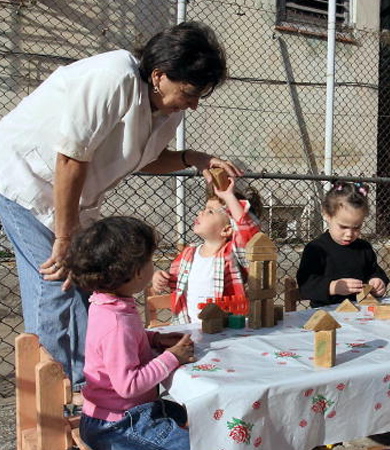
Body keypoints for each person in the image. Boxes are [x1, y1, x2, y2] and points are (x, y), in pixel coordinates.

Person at [0, 21, 239, 386]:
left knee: (85, 286)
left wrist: (195, 158)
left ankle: (87, 384)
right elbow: (70, 158)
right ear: (160, 76)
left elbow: (146, 158)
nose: (192, 105)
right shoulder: (112, 76)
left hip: (69, 195)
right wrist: (65, 239)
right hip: (25, 180)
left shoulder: (165, 112)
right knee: (56, 283)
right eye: (189, 92)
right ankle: (51, 395)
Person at [64, 216, 195, 450]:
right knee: (197, 444)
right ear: (136, 272)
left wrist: (154, 338)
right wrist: (173, 357)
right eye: (150, 260)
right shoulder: (116, 322)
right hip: (118, 426)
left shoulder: (106, 302)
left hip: (117, 413)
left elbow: (122, 344)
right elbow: (129, 385)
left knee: (195, 414)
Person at [152, 178, 261, 324]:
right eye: (204, 209)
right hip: (187, 324)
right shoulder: (188, 253)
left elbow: (247, 231)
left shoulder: (231, 254)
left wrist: (229, 197)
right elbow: (175, 281)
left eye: (210, 211)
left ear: (227, 229)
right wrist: (160, 278)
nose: (200, 213)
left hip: (225, 328)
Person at [296, 181, 389, 307]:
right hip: (326, 314)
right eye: (343, 226)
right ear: (327, 215)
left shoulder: (363, 248)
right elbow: (306, 286)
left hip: (361, 311)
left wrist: (378, 281)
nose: (349, 234)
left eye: (356, 228)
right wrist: (333, 287)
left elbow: (374, 271)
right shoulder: (316, 249)